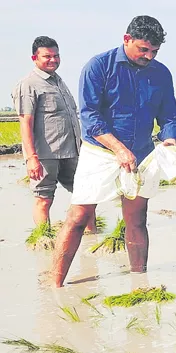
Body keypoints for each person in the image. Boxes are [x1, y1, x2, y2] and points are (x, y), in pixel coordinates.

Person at [51, 15, 176, 287]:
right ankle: (55, 286)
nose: (149, 56)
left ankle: (140, 284)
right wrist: (119, 149)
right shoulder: (99, 67)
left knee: (137, 219)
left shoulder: (161, 73)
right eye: (143, 49)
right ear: (126, 39)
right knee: (78, 217)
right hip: (100, 152)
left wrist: (170, 140)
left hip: (142, 154)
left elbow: (169, 115)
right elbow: (89, 116)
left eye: (154, 51)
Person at [12, 36, 95, 232]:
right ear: (35, 58)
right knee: (44, 198)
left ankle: (91, 235)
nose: (53, 60)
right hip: (46, 155)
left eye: (56, 56)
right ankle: (44, 238)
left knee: (87, 195)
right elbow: (25, 122)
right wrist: (31, 158)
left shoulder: (59, 82)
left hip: (72, 151)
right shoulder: (29, 84)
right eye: (47, 56)